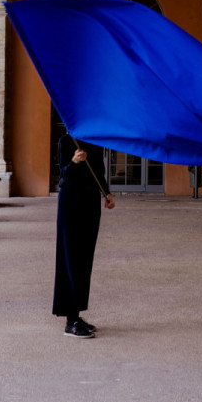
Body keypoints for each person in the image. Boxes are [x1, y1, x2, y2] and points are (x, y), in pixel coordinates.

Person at [53, 133, 115, 339]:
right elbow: (62, 177)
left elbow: (98, 171)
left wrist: (106, 193)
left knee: (84, 260)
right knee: (71, 259)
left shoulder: (95, 142)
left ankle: (77, 315)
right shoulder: (65, 142)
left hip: (90, 205)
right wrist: (73, 162)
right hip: (71, 205)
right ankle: (70, 321)